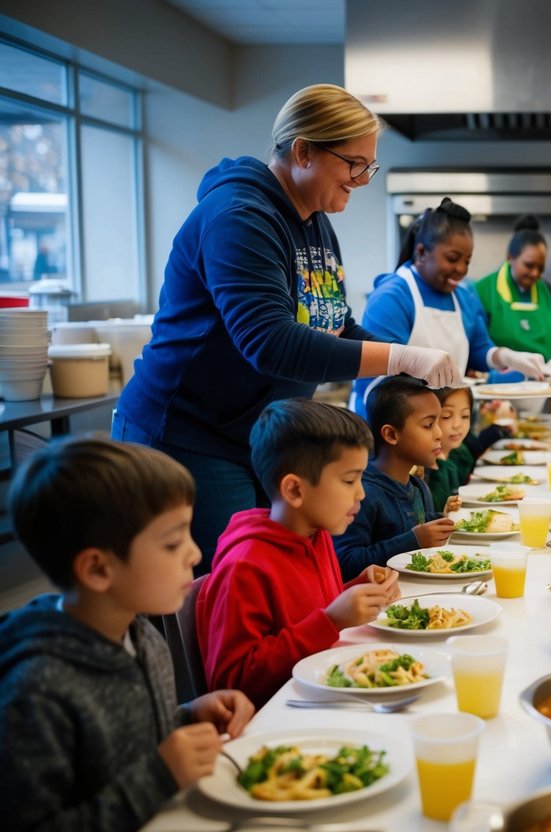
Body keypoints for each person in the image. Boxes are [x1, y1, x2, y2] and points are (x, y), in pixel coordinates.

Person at [112, 84, 459, 571]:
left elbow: (335, 325)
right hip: (186, 435)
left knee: (263, 580)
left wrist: (408, 355)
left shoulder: (315, 221)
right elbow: (270, 342)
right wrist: (400, 358)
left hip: (255, 434)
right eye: (353, 163)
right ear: (303, 152)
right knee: (214, 592)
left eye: (369, 166)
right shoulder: (239, 217)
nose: (362, 179)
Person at [0, 439, 254, 831]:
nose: (194, 554)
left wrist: (186, 717)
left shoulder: (139, 633)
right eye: (172, 542)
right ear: (98, 570)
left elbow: (122, 742)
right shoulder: (37, 691)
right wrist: (159, 776)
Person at [196, 399, 401, 707]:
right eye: (349, 480)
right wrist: (331, 620)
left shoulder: (316, 533)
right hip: (281, 722)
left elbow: (306, 614)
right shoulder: (245, 567)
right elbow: (231, 683)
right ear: (294, 490)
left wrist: (356, 591)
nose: (361, 493)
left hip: (325, 693)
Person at [353, 198, 547, 416]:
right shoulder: (392, 298)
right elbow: (375, 381)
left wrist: (507, 357)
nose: (461, 270)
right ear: (421, 253)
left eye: (467, 261)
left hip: (445, 426)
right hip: (390, 427)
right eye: (452, 259)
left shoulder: (464, 296)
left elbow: (478, 349)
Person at [334, 377, 455, 582]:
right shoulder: (362, 494)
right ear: (391, 434)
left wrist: (441, 522)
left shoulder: (418, 487)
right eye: (428, 425)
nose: (439, 434)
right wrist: (414, 540)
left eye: (438, 422)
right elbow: (345, 563)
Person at [475, 215, 551, 382]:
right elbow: (477, 345)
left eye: (540, 268)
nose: (535, 273)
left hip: (542, 385)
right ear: (510, 257)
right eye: (529, 265)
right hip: (495, 387)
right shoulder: (482, 291)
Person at [427, 387, 511, 510]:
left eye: (465, 416)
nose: (457, 424)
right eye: (446, 416)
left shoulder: (459, 452)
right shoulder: (427, 470)